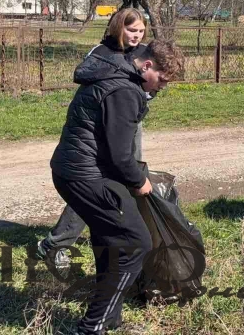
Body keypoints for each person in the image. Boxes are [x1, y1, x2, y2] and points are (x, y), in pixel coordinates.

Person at [50, 38, 184, 335]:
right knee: (136, 243)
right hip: (85, 174)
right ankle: (92, 326)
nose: (163, 86)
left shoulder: (114, 70)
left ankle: (109, 315)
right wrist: (139, 183)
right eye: (161, 79)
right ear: (147, 65)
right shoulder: (124, 90)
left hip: (73, 170)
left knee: (110, 238)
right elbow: (121, 155)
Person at [35, 9, 149, 270]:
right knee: (98, 184)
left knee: (129, 176)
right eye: (132, 30)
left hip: (128, 123)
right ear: (118, 27)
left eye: (141, 30)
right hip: (101, 128)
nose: (137, 35)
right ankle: (56, 244)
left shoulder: (140, 52)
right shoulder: (101, 54)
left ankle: (133, 237)